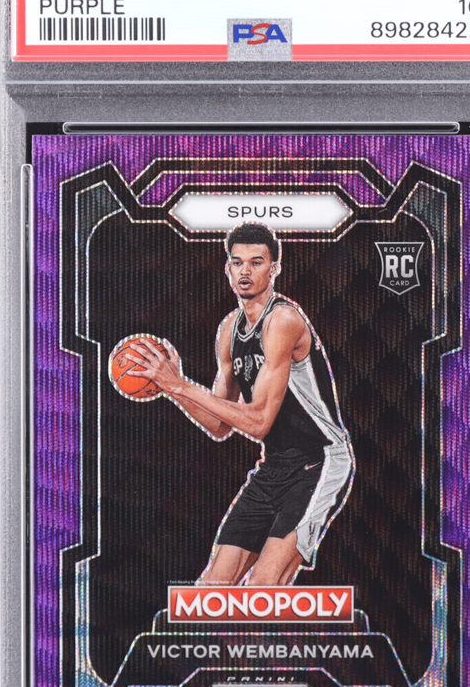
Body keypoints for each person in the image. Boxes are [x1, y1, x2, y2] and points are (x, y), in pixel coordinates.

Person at [126, 223, 354, 586]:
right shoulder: (229, 329)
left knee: (263, 586)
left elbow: (259, 422)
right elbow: (220, 425)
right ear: (228, 269)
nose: (245, 271)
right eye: (237, 262)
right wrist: (171, 388)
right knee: (211, 589)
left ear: (274, 269)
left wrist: (182, 385)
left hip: (320, 461)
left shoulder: (283, 321)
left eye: (256, 262)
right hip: (274, 466)